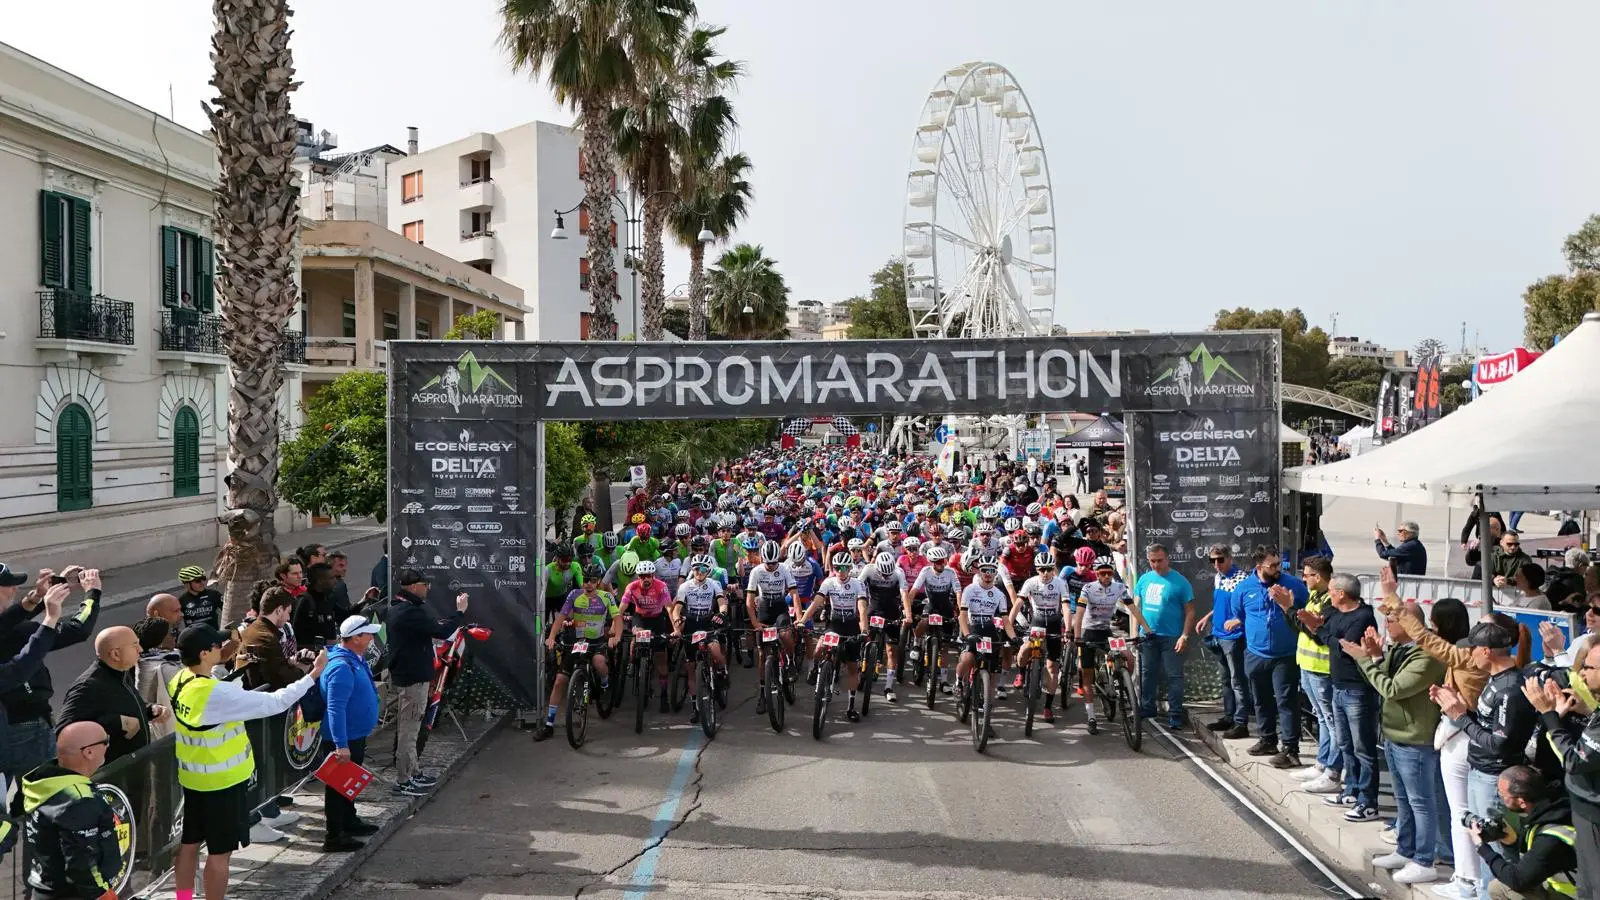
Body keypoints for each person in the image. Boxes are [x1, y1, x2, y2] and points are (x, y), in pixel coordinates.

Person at [171, 625, 326, 900]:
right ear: (204, 653)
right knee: (220, 855)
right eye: (218, 646)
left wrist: (234, 674)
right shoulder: (216, 694)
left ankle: (183, 897)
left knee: (190, 843)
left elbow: (218, 697)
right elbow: (274, 702)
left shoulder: (181, 679)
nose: (223, 649)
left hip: (193, 780)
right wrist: (312, 675)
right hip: (223, 784)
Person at [1432, 619, 1538, 900]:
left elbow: (1499, 743)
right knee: (1480, 838)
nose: (1469, 655)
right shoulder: (1495, 681)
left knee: (1497, 845)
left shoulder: (1510, 689)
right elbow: (1487, 724)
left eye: (1473, 649)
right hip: (1480, 771)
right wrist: (1457, 704)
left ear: (1486, 651)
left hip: (1494, 777)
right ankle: (1481, 892)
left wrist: (1460, 717)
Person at [1344, 598, 1446, 885]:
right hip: (1393, 734)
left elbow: (1391, 688)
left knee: (1421, 802)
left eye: (1391, 619)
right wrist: (1375, 656)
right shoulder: (1400, 650)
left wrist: (1364, 659)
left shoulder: (1427, 656)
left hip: (1414, 740)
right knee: (1403, 800)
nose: (1385, 625)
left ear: (1410, 623)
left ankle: (1424, 860)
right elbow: (1382, 675)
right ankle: (1405, 848)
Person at [0, 566, 102, 787]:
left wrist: (36, 598)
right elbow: (78, 629)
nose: (15, 588)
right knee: (41, 795)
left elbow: (6, 620)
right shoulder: (23, 632)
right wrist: (92, 594)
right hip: (27, 724)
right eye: (8, 585)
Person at [1297, 573, 1381, 821]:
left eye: (1332, 590)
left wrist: (1323, 632)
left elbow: (1343, 645)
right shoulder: (1334, 613)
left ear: (1342, 593)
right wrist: (1313, 624)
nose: (1329, 595)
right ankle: (1351, 790)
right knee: (1345, 744)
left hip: (1357, 690)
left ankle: (1368, 801)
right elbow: (1324, 635)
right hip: (1338, 686)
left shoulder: (1363, 616)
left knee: (1363, 748)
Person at [1525, 640, 1600, 898]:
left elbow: (1574, 761)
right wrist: (1587, 711)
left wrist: (1549, 714)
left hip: (1593, 814)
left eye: (1588, 667)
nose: (1580, 673)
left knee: (1592, 887)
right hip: (1584, 807)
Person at [21, 721, 123, 899]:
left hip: (43, 889)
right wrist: (101, 893)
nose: (108, 746)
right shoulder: (79, 800)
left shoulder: (46, 784)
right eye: (105, 741)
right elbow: (82, 859)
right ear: (89, 752)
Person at [383, 570, 463, 794]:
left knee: (414, 725)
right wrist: (459, 612)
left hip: (414, 674)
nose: (427, 588)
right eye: (424, 584)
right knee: (409, 729)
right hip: (412, 677)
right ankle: (404, 779)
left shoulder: (407, 608)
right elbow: (441, 630)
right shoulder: (408, 612)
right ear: (413, 587)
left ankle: (414, 771)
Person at [1235, 545, 1310, 769]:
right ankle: (1267, 739)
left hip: (1284, 654)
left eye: (1280, 564)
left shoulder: (1293, 585)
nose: (1278, 568)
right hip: (1256, 653)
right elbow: (1239, 613)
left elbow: (1305, 611)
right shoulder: (1244, 588)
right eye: (1273, 565)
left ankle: (1290, 748)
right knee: (1261, 699)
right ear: (1259, 566)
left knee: (1286, 701)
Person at [56, 625, 170, 764]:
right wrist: (117, 723)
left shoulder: (121, 672)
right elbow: (65, 733)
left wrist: (149, 710)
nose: (140, 649)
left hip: (135, 766)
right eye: (134, 645)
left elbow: (122, 706)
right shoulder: (88, 687)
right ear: (115, 654)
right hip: (113, 773)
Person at [319, 616, 382, 852]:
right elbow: (336, 708)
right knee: (337, 787)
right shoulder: (340, 667)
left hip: (355, 734)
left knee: (348, 783)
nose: (372, 638)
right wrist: (340, 744)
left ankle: (349, 820)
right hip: (345, 739)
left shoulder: (353, 658)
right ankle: (334, 835)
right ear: (355, 638)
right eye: (368, 634)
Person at [1470, 766, 1579, 900]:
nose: (1501, 798)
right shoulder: (1553, 807)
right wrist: (1513, 843)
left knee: (1500, 889)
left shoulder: (1550, 836)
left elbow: (1517, 880)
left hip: (1575, 895)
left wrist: (1482, 848)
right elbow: (1536, 862)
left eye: (1502, 795)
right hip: (1569, 887)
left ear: (1521, 802)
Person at [1132, 543, 1195, 730]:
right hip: (1148, 636)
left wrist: (1184, 636)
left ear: (1167, 559)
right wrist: (1135, 633)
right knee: (1148, 674)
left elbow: (1190, 612)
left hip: (1172, 637)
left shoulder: (1180, 582)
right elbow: (1136, 608)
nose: (1156, 565)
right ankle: (1148, 708)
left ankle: (1175, 714)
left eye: (1159, 561)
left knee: (1174, 676)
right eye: (1152, 561)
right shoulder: (1144, 579)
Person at [1292, 556, 1342, 793]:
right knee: (1321, 718)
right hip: (1307, 665)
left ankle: (1333, 771)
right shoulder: (1315, 596)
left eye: (1307, 574)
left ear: (1319, 577)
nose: (1303, 578)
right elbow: (1302, 626)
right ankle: (1322, 763)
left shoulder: (1328, 602)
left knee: (1332, 722)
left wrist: (1288, 609)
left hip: (1322, 670)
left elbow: (1317, 634)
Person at [1196, 544, 1251, 740]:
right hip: (1218, 634)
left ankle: (1241, 722)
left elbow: (1249, 608)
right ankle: (1229, 716)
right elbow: (1221, 604)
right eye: (1213, 561)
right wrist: (1207, 617)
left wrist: (1238, 622)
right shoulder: (1218, 577)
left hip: (1234, 637)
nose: (1217, 564)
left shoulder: (1242, 579)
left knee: (1237, 680)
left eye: (1220, 560)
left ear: (1230, 558)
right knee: (1226, 679)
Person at [177, 566, 223, 630]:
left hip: (215, 636)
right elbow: (175, 623)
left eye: (203, 578)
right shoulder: (181, 600)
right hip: (193, 638)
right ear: (186, 584)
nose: (202, 583)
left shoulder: (214, 594)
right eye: (197, 581)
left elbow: (229, 611)